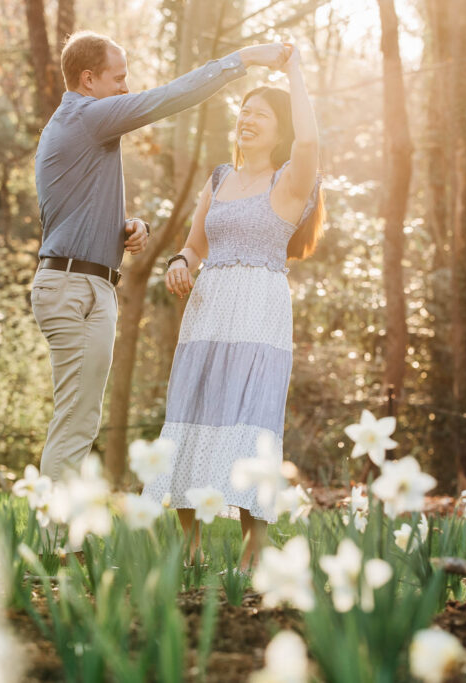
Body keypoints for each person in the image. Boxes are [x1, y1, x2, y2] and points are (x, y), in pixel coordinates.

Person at [31, 32, 291, 522]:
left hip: (85, 281)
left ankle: (63, 534)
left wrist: (128, 227)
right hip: (71, 288)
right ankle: (53, 543)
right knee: (75, 421)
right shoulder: (87, 115)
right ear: (89, 80)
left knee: (81, 419)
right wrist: (244, 59)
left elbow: (67, 211)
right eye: (119, 77)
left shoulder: (79, 124)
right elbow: (170, 98)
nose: (127, 86)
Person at [141, 46, 323, 569]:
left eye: (260, 114)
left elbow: (310, 138)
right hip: (208, 311)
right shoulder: (219, 179)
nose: (247, 119)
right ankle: (189, 548)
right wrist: (180, 259)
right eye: (243, 111)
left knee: (252, 417)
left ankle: (252, 555)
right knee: (193, 410)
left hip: (260, 315)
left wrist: (293, 69)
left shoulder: (288, 182)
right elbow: (194, 244)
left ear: (279, 129)